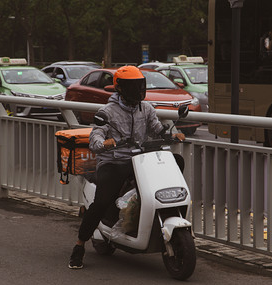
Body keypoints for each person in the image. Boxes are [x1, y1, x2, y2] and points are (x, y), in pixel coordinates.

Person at [68, 65, 185, 269]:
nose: (139, 90)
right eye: (134, 86)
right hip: (113, 162)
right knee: (102, 201)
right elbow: (96, 136)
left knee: (176, 161)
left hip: (139, 161)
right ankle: (79, 245)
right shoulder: (107, 111)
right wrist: (103, 144)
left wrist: (172, 134)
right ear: (120, 88)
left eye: (141, 85)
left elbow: (157, 129)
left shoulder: (145, 108)